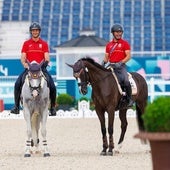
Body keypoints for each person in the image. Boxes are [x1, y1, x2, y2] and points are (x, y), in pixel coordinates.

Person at [10, 22, 56, 116]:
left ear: (39, 31)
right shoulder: (26, 44)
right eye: (33, 30)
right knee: (17, 84)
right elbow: (23, 58)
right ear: (31, 32)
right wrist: (26, 65)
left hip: (41, 69)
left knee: (52, 86)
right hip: (29, 69)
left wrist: (43, 65)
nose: (35, 32)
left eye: (36, 30)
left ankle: (52, 108)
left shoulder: (44, 44)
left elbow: (47, 58)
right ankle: (16, 107)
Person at [102, 23, 133, 107]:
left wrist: (121, 63)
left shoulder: (125, 44)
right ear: (113, 33)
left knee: (126, 81)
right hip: (111, 66)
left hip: (121, 66)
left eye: (120, 32)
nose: (119, 34)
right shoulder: (109, 45)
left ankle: (129, 99)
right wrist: (103, 64)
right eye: (116, 32)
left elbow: (128, 56)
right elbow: (106, 57)